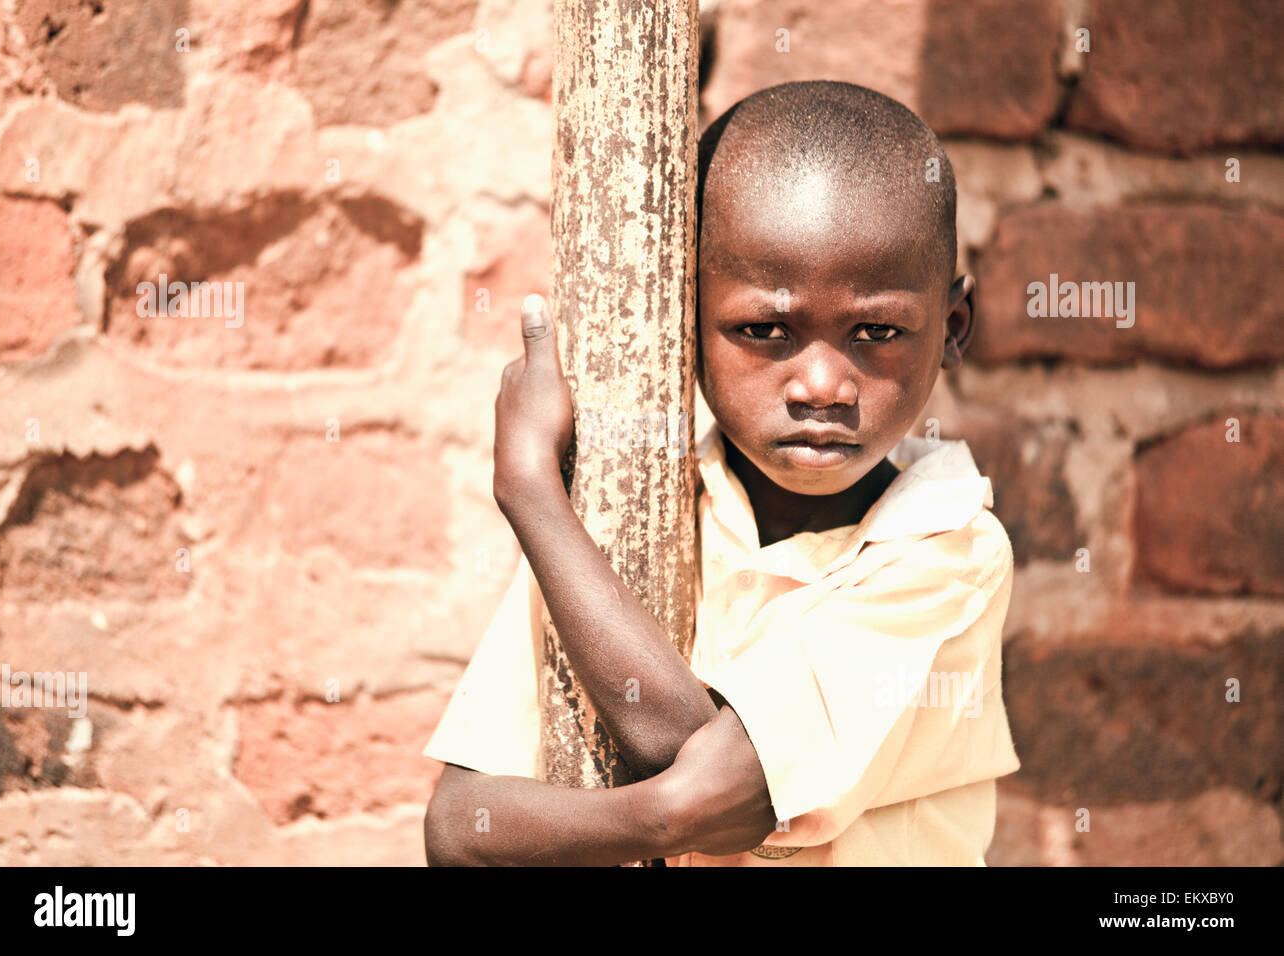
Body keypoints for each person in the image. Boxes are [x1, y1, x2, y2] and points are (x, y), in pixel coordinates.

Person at [422, 80, 1020, 866]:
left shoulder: (947, 552)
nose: (821, 387)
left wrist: (531, 494)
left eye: (876, 331)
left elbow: (724, 796)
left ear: (952, 327)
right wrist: (664, 812)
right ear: (686, 322)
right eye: (765, 329)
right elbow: (458, 828)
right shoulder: (613, 511)